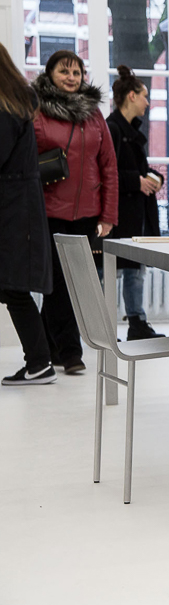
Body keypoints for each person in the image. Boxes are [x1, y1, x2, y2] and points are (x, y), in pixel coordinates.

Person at [32, 50, 118, 375]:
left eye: (77, 72)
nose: (71, 77)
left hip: (86, 214)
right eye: (64, 71)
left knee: (74, 283)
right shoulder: (36, 111)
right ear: (49, 74)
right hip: (49, 211)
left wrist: (108, 214)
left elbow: (108, 165)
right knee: (58, 283)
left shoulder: (93, 115)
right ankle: (70, 353)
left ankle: (48, 348)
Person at [0, 42, 56, 385]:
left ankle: (39, 363)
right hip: (17, 207)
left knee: (14, 289)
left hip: (12, 210)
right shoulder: (16, 102)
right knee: (13, 289)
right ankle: (39, 362)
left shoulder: (6, 107)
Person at [106, 65, 165, 341]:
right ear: (131, 96)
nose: (147, 102)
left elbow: (134, 168)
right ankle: (106, 327)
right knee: (109, 272)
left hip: (132, 213)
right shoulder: (112, 129)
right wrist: (136, 181)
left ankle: (137, 324)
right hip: (117, 214)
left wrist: (153, 178)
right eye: (144, 96)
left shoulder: (128, 129)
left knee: (134, 270)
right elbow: (105, 172)